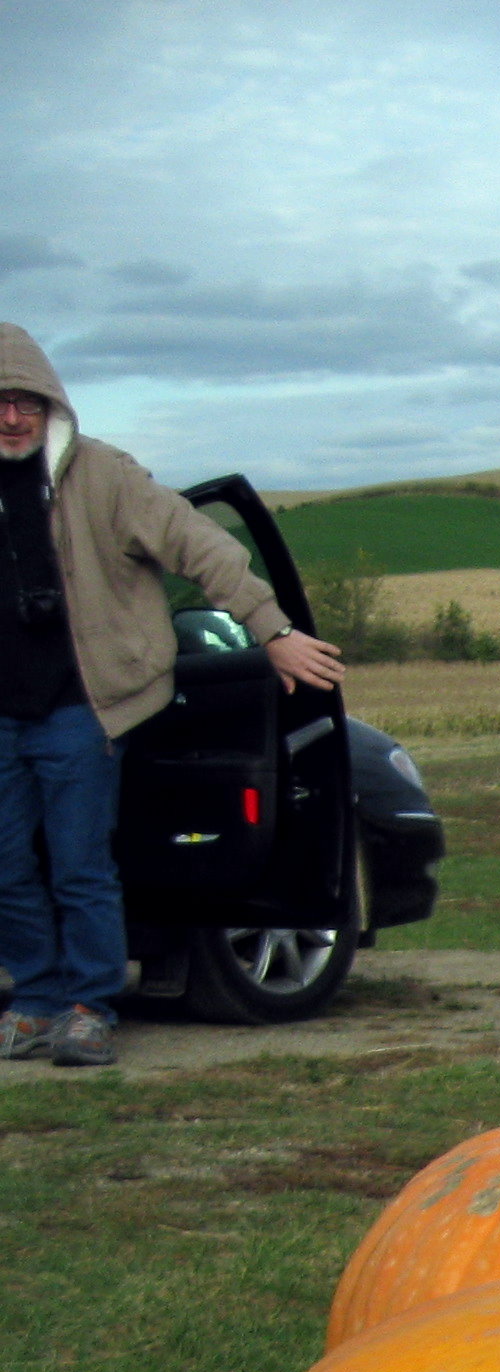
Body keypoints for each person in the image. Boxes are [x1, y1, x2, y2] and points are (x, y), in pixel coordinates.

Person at [0, 325, 345, 1068]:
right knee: (4, 865)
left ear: (51, 404)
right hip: (3, 714)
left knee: (78, 861)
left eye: (26, 402)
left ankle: (90, 1006)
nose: (12, 419)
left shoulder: (102, 476)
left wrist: (270, 627)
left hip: (82, 708)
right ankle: (33, 1000)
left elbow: (202, 545)